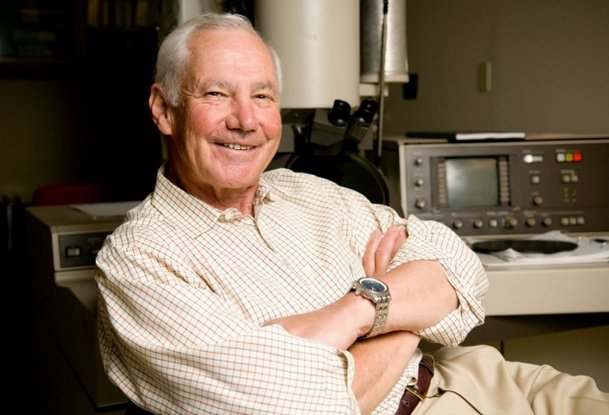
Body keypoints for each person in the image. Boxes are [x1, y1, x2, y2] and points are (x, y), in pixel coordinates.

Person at [95, 12, 609, 415]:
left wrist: (359, 311)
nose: (246, 120)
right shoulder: (141, 260)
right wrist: (407, 317)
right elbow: (297, 406)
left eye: (263, 95)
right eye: (215, 93)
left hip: (477, 376)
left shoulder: (311, 193)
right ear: (163, 109)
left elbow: (458, 269)